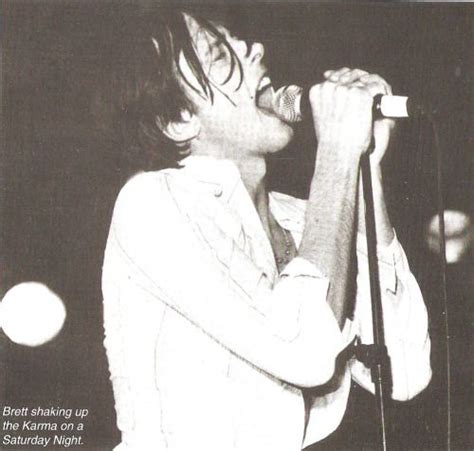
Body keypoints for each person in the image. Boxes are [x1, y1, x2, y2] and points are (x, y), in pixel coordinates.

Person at [101, 7, 431, 451]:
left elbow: (405, 372)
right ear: (179, 119)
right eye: (220, 55)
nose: (254, 49)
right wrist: (335, 151)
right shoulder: (150, 203)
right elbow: (306, 352)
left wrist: (363, 168)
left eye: (239, 41)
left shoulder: (302, 221)